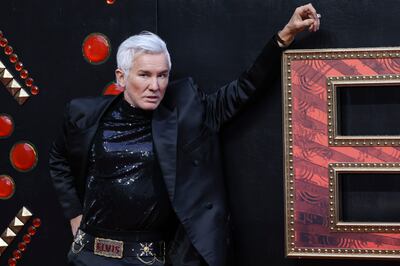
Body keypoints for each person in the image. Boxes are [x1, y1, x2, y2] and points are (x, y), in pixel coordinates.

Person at [49, 3, 320, 266]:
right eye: (144, 75)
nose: (155, 85)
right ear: (121, 77)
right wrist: (74, 213)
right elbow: (58, 158)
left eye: (162, 75)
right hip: (89, 254)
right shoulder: (83, 114)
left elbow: (244, 88)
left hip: (148, 256)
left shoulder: (187, 111)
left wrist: (284, 36)